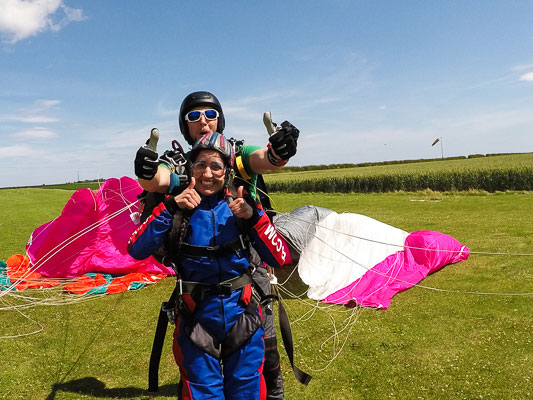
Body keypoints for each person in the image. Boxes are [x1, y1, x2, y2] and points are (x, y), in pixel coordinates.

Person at [134, 91, 300, 399]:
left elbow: (262, 160)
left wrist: (279, 151)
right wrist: (146, 171)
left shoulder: (234, 155)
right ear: (186, 126)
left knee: (266, 348)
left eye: (210, 115)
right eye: (194, 116)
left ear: (219, 120)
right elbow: (158, 179)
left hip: (248, 266)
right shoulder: (183, 164)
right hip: (201, 283)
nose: (203, 122)